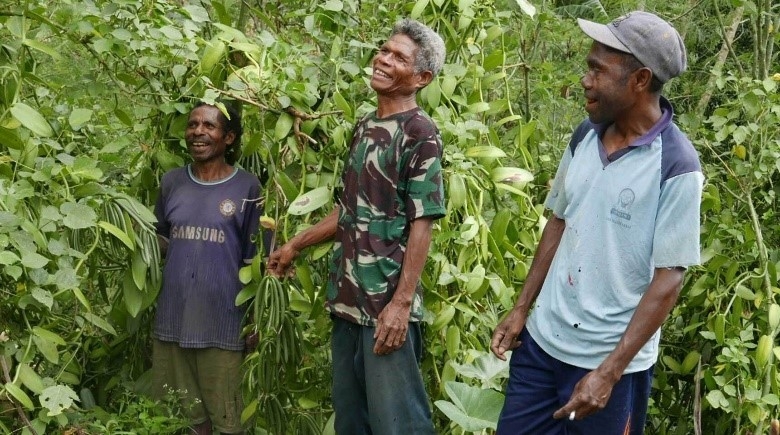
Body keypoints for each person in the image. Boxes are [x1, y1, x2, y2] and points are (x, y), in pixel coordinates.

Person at [490, 11, 703, 434]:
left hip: (608, 368)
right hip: (542, 347)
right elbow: (559, 222)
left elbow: (668, 281)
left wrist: (609, 372)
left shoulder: (677, 165)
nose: (585, 80)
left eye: (596, 70)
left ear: (639, 80)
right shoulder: (586, 135)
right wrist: (520, 309)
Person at [267, 18, 446, 435]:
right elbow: (349, 209)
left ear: (422, 77)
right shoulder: (365, 126)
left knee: (399, 425)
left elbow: (423, 223)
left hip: (385, 308)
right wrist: (296, 244)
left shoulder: (421, 133)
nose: (382, 59)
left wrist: (401, 306)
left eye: (398, 57)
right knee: (353, 422)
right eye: (383, 50)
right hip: (346, 301)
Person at [152, 102, 262, 435]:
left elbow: (255, 261)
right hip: (174, 321)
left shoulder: (247, 188)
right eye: (192, 124)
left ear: (228, 138)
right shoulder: (171, 183)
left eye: (209, 126)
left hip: (223, 325)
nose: (198, 132)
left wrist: (255, 320)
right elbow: (159, 244)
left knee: (229, 421)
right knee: (186, 421)